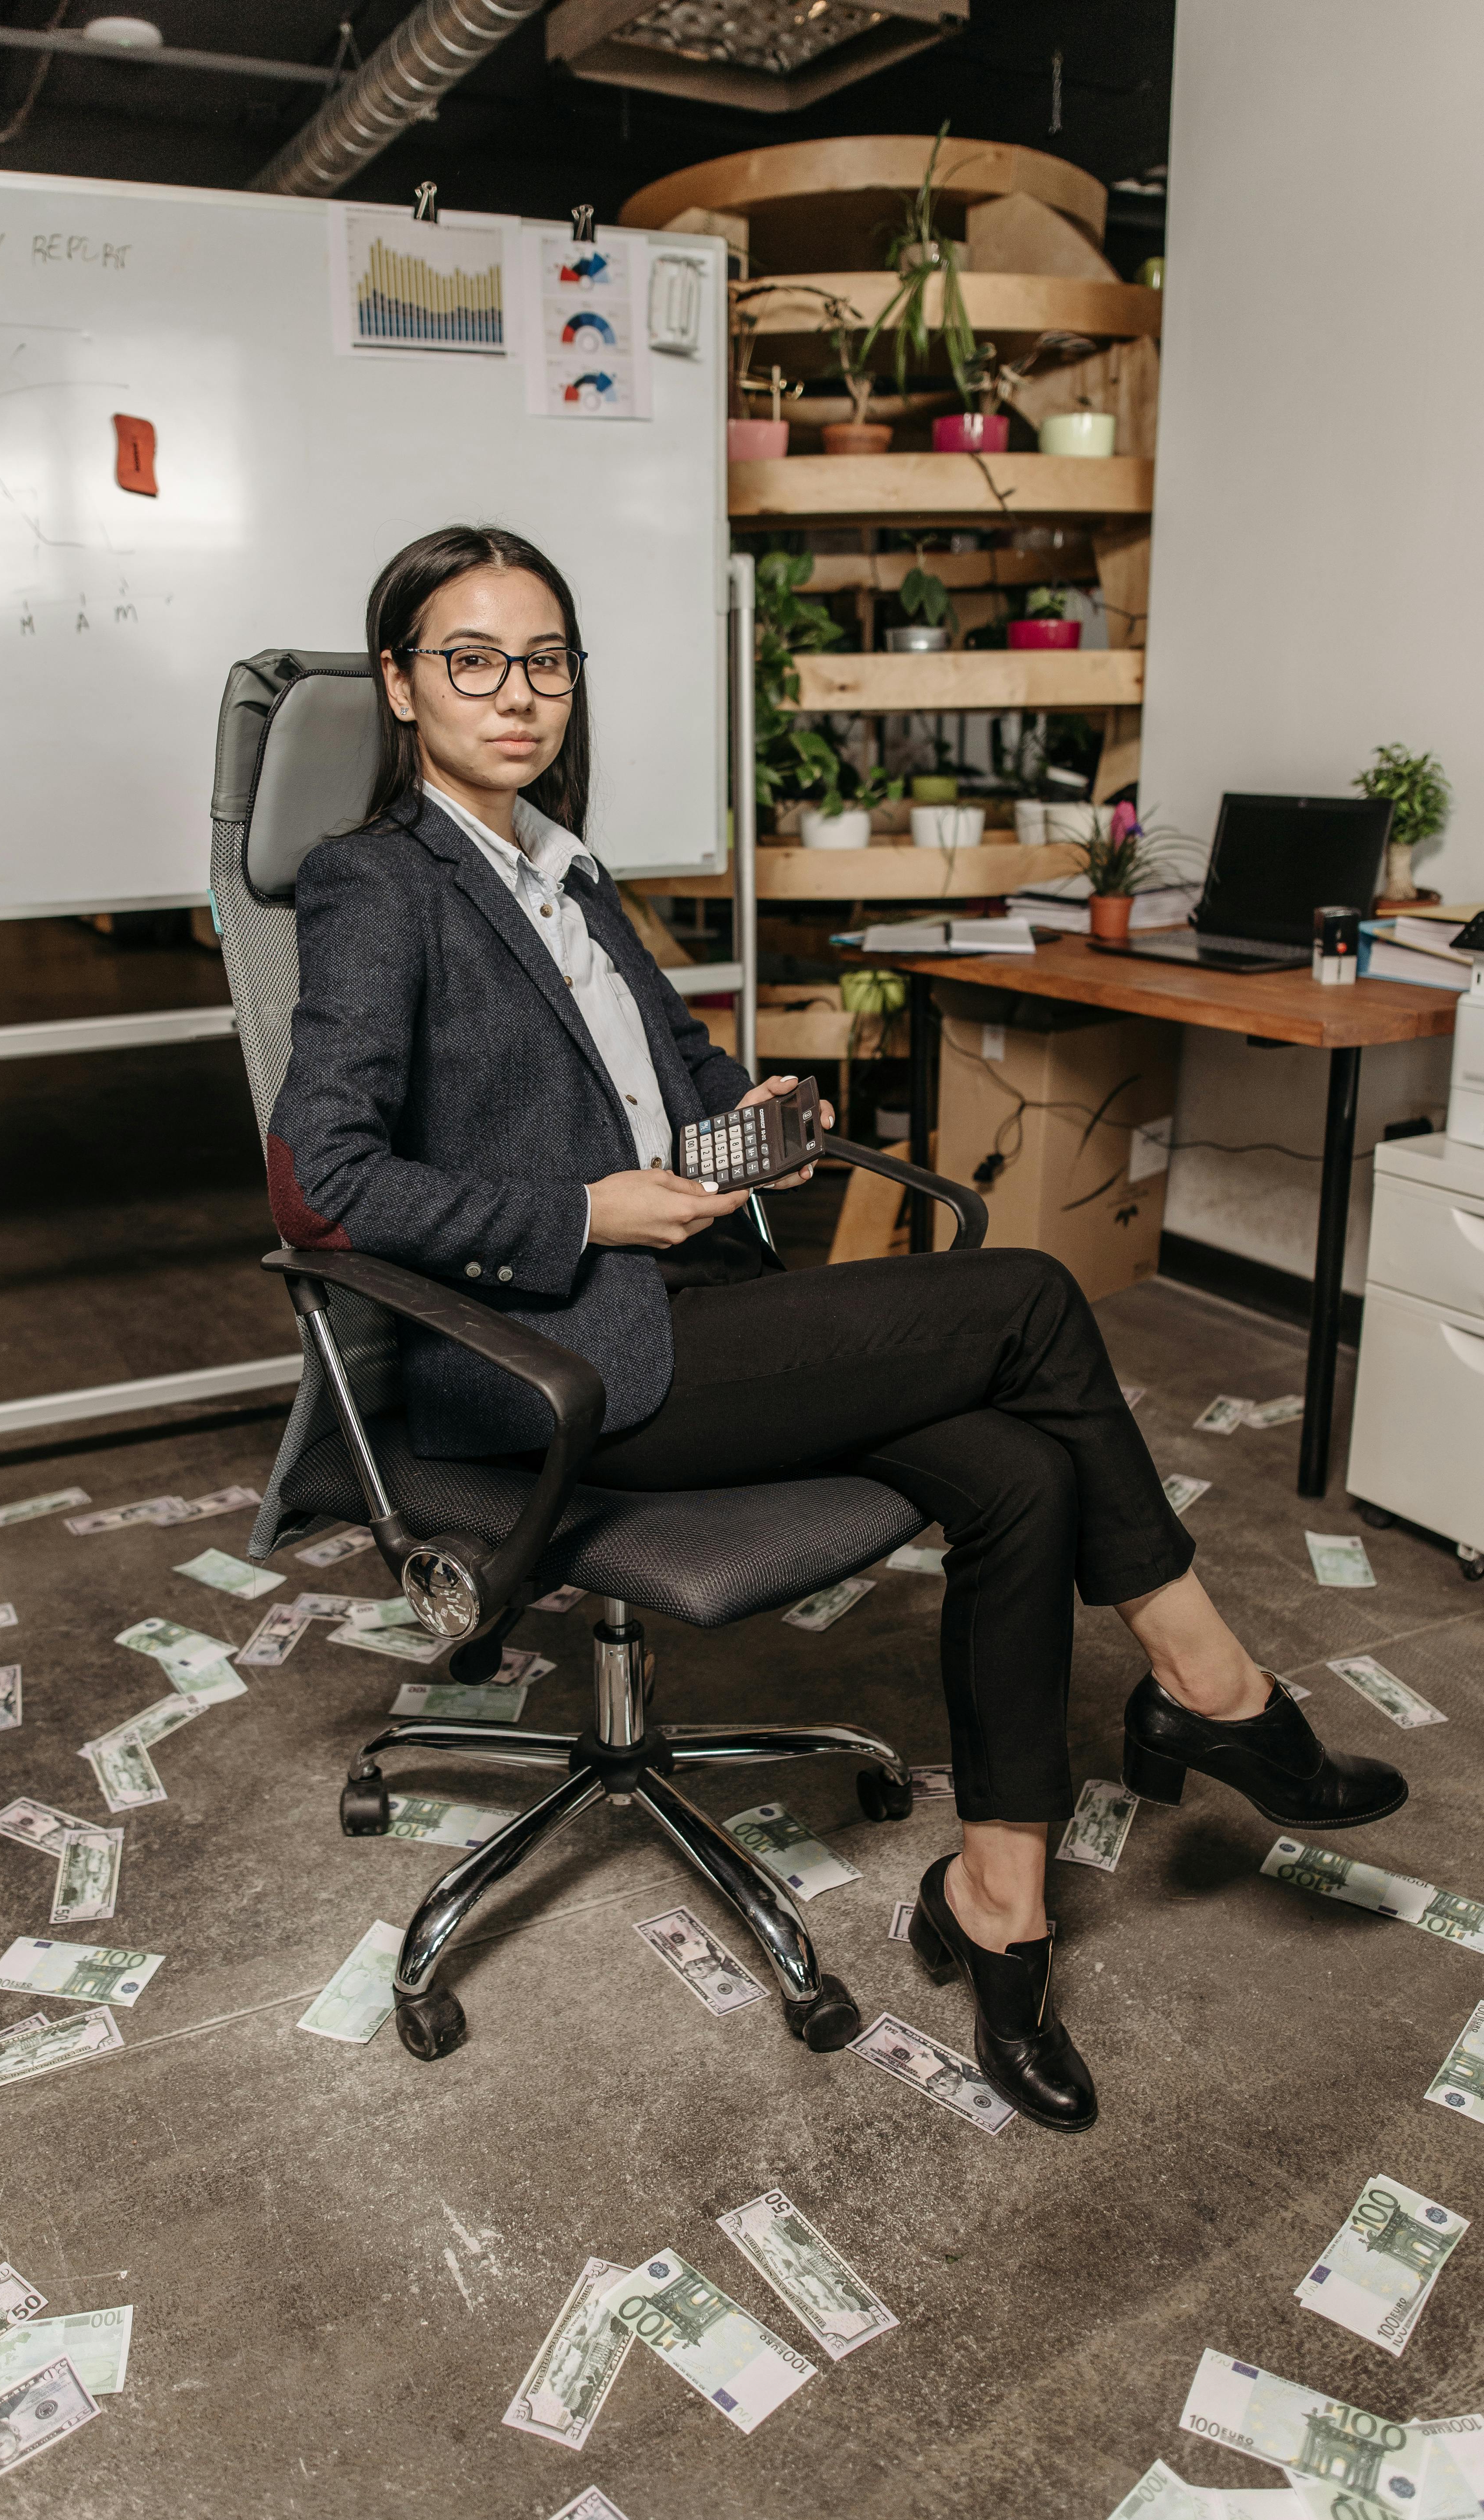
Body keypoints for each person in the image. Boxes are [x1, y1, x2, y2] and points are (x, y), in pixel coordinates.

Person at [268, 524, 1407, 2135]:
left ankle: (996, 1908)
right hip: (561, 1364)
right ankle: (1208, 1688)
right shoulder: (375, 883)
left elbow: (669, 1072)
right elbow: (327, 1174)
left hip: (691, 1304)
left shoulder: (565, 870)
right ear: (400, 684)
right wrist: (583, 1213)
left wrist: (753, 1109)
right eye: (469, 660)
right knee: (1024, 1294)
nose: (513, 696)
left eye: (545, 660)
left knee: (1017, 1475)